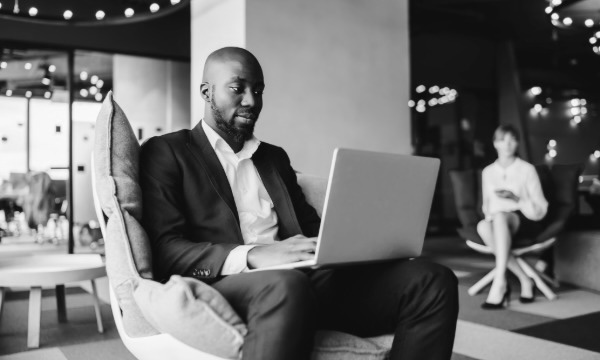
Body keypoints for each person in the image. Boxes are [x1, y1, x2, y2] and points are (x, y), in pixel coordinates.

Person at [140, 46, 458, 360]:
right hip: (231, 283)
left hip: (305, 280)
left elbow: (309, 227)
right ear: (207, 92)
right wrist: (254, 256)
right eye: (237, 88)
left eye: (258, 90)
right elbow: (167, 250)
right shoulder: (168, 152)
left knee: (432, 281)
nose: (251, 101)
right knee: (285, 284)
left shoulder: (274, 158)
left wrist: (355, 242)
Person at [477, 125, 548, 309]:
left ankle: (500, 282)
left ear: (517, 143)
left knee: (500, 217)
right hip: (498, 221)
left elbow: (540, 209)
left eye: (512, 139)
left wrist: (517, 198)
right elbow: (487, 205)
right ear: (495, 144)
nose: (507, 144)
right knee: (483, 226)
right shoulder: (488, 172)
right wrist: (492, 217)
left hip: (524, 218)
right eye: (502, 140)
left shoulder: (527, 169)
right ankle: (525, 279)